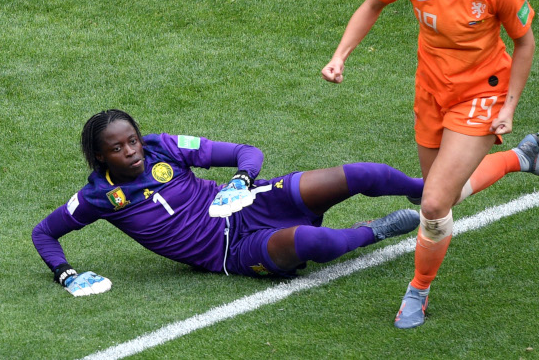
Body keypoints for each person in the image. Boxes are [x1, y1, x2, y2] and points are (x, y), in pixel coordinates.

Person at [321, 0, 539, 329]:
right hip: (431, 93)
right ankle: (521, 158)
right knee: (442, 193)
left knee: (432, 204)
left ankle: (418, 291)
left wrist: (508, 106)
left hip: (483, 93)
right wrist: (340, 56)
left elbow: (524, 43)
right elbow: (372, 4)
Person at [32, 109, 425, 295]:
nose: (131, 151)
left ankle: (422, 188)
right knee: (314, 241)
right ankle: (373, 232)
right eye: (117, 148)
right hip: (231, 251)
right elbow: (44, 233)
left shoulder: (163, 147)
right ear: (100, 157)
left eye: (132, 140)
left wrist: (241, 180)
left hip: (250, 202)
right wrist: (65, 273)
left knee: (361, 174)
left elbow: (246, 152)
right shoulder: (98, 198)